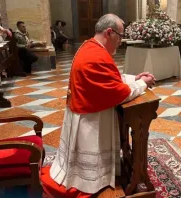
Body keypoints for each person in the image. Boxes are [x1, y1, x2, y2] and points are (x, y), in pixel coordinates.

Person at [40, 14, 156, 197]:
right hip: (90, 119)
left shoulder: (91, 47)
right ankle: (91, 180)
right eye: (120, 36)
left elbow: (110, 79)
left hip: (86, 111)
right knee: (89, 169)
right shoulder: (95, 56)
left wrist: (134, 78)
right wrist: (143, 84)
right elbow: (118, 93)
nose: (121, 41)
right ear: (109, 32)